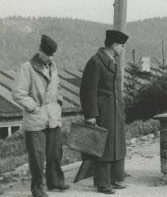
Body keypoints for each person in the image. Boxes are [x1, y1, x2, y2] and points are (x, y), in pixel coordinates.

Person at [13, 35, 69, 197]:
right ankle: (38, 188)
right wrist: (34, 108)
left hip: (53, 117)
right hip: (35, 118)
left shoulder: (53, 66)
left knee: (55, 153)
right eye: (48, 54)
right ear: (40, 51)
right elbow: (18, 93)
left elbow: (57, 87)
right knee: (37, 156)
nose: (51, 57)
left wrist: (59, 100)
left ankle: (55, 181)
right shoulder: (27, 68)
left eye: (53, 54)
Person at [80, 30, 129, 194]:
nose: (122, 49)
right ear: (114, 45)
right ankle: (102, 183)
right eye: (121, 46)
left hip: (114, 111)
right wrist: (91, 115)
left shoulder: (111, 60)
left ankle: (113, 179)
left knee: (115, 144)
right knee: (103, 146)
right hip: (103, 111)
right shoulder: (95, 62)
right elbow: (88, 91)